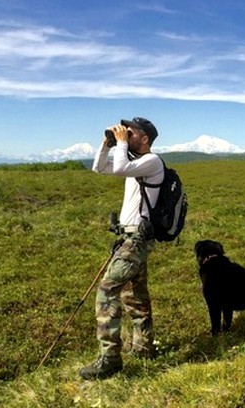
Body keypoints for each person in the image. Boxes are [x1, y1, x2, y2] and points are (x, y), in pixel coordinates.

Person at [79, 116, 164, 380]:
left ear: (145, 139)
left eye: (131, 133)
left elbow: (118, 168)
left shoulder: (152, 161)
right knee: (134, 295)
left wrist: (121, 144)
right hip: (130, 238)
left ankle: (110, 358)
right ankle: (143, 346)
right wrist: (107, 144)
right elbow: (99, 168)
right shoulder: (134, 164)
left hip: (137, 240)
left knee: (107, 291)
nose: (125, 134)